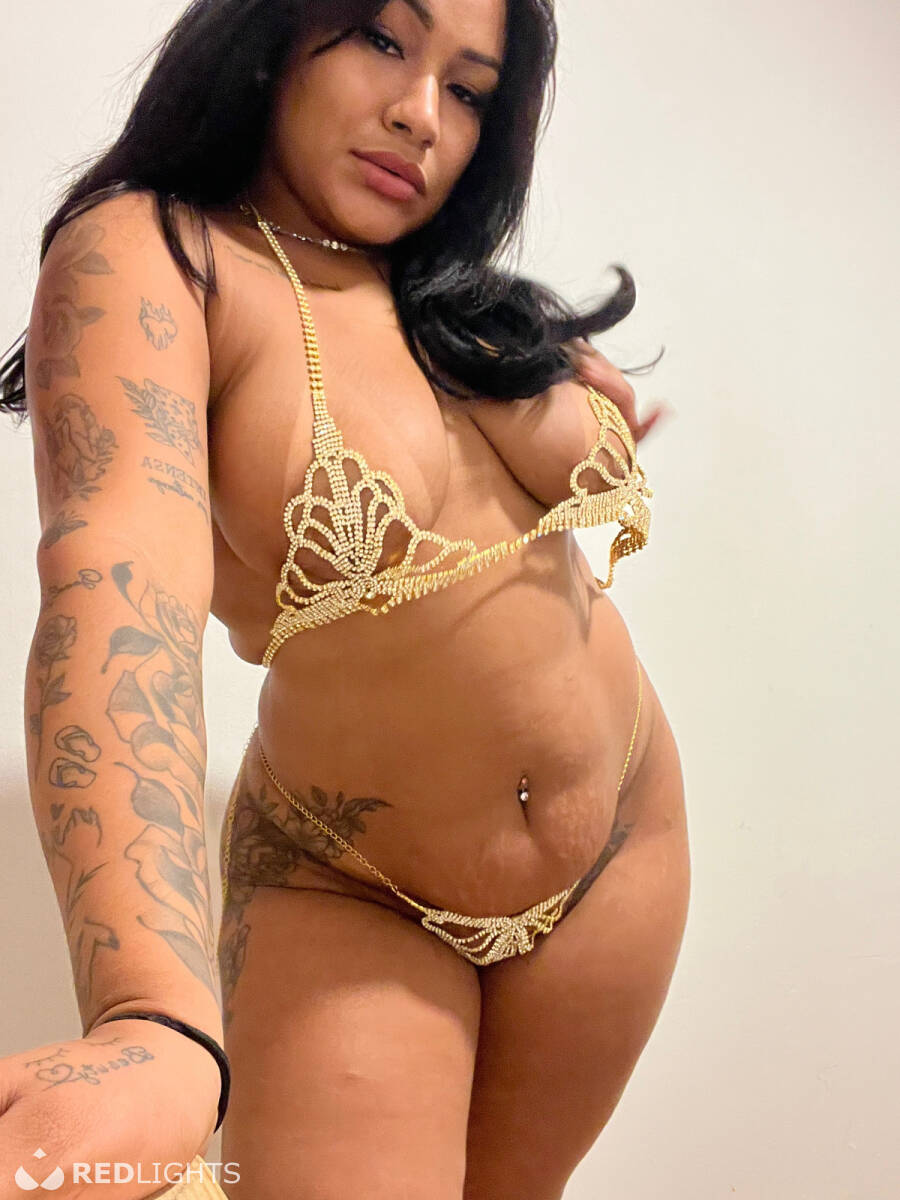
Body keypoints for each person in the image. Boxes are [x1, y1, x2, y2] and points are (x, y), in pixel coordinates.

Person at [0, 1, 691, 1197]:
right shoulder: (161, 254)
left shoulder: (442, 294)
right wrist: (152, 1013)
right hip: (355, 890)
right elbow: (119, 591)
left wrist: (563, 392)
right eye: (384, 39)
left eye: (468, 90)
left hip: (622, 846)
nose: (422, 115)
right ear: (271, 29)